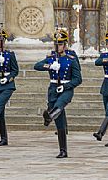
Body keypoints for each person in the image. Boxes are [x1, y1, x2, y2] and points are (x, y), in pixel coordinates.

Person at [34, 29, 82, 158]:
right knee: (59, 122)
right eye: (56, 44)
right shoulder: (50, 58)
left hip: (66, 89)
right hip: (53, 89)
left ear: (65, 45)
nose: (58, 46)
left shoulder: (71, 59)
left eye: (60, 44)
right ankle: (63, 150)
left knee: (60, 105)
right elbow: (36, 66)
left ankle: (49, 115)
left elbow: (78, 79)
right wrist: (49, 66)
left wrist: (66, 86)